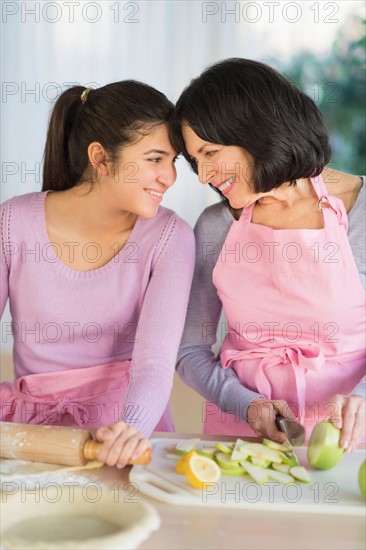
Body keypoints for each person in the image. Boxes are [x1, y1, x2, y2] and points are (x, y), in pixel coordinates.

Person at [170, 58, 365, 451]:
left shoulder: (360, 209)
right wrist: (248, 406)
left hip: (349, 441)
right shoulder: (215, 226)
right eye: (196, 161)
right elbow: (188, 350)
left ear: (257, 132)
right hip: (241, 439)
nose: (204, 175)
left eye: (210, 153)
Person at [0, 81, 195, 467]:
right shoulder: (12, 222)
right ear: (101, 158)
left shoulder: (171, 237)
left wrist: (131, 427)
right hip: (31, 435)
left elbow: (154, 363)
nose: (169, 177)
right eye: (155, 159)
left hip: (123, 434)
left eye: (172, 162)